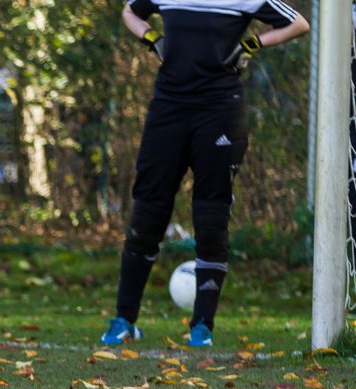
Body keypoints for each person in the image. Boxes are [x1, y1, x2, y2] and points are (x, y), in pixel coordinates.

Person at [100, 0, 309, 348]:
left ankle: (202, 327)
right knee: (149, 210)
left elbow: (298, 23)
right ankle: (123, 320)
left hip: (219, 109)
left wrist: (251, 44)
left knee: (211, 214)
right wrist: (154, 38)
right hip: (168, 108)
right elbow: (129, 12)